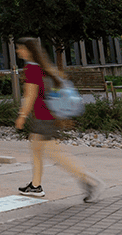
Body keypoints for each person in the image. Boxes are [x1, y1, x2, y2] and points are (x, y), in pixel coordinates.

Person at [13, 37, 96, 201]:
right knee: (36, 149)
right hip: (47, 116)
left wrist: (21, 116)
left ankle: (89, 182)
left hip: (43, 118)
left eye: (20, 48)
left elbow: (30, 96)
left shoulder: (32, 69)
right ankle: (35, 186)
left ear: (29, 51)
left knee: (56, 154)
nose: (18, 51)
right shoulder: (43, 67)